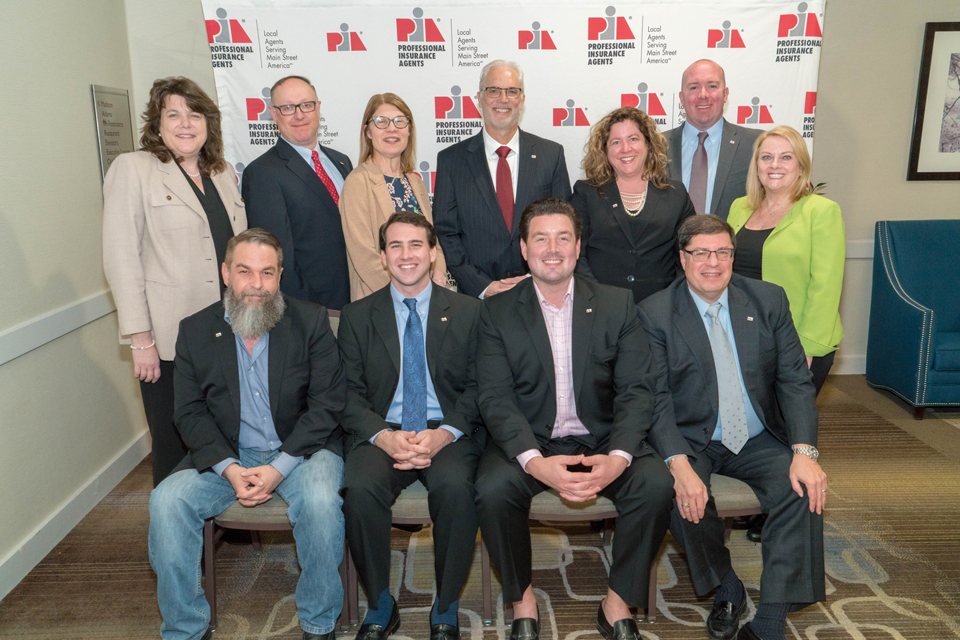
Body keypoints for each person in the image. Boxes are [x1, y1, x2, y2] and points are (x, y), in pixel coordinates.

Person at [474, 198, 673, 640]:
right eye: (540, 238)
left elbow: (637, 390)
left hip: (602, 438)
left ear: (578, 246)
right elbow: (495, 397)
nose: (552, 248)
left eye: (563, 237)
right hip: (531, 440)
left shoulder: (617, 304)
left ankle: (617, 601)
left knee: (655, 483)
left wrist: (619, 457)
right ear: (524, 249)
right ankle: (522, 598)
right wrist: (535, 462)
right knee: (492, 488)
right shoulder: (496, 312)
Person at [149, 228, 346, 640]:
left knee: (322, 501)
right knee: (166, 500)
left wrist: (279, 467)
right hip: (227, 455)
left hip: (302, 452)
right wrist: (228, 468)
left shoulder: (309, 321)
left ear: (279, 276)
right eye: (245, 271)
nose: (256, 285)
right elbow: (188, 412)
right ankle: (185, 628)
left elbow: (327, 404)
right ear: (226, 273)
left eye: (267, 273)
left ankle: (318, 622)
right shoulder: (195, 331)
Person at [638, 215, 826, 640]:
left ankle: (769, 620)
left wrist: (804, 451)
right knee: (675, 493)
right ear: (682, 258)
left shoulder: (767, 300)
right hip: (692, 438)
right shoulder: (654, 313)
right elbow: (655, 398)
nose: (713, 262)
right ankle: (728, 585)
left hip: (757, 436)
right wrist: (679, 463)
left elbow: (795, 379)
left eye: (722, 251)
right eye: (701, 252)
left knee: (802, 487)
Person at [338, 213, 484, 640]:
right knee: (360, 488)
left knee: (457, 487)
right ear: (383, 257)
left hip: (449, 429)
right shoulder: (356, 316)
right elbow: (346, 393)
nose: (407, 255)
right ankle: (381, 602)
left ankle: (447, 604)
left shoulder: (470, 311)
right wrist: (384, 436)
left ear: (433, 252)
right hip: (383, 429)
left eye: (416, 245)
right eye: (396, 247)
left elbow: (483, 387)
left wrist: (443, 434)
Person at [102, 76, 247, 486]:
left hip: (227, 333)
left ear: (208, 123)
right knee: (173, 446)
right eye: (174, 114)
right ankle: (178, 543)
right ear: (158, 124)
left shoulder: (221, 175)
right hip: (167, 342)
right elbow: (120, 258)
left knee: (223, 438)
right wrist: (140, 339)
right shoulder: (134, 169)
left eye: (195, 114)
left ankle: (222, 525)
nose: (186, 123)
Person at [433, 60, 572, 298]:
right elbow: (446, 232)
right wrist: (481, 286)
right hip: (476, 301)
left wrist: (534, 278)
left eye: (512, 91)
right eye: (494, 91)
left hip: (539, 293)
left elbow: (566, 226)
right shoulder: (451, 160)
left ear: (522, 100)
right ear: (479, 98)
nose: (503, 99)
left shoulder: (551, 155)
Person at [728, 125, 844, 395]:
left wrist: (806, 347)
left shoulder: (822, 211)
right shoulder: (739, 207)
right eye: (766, 157)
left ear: (801, 167)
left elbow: (825, 287)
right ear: (756, 166)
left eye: (786, 157)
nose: (774, 165)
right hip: (741, 337)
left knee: (786, 425)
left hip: (793, 340)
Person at [242, 75, 354, 310]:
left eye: (306, 105)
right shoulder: (262, 173)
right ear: (274, 114)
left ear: (318, 108)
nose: (299, 114)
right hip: (314, 309)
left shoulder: (342, 162)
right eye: (288, 108)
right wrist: (307, 314)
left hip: (358, 298)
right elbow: (277, 258)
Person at [571, 106, 695, 303]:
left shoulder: (676, 194)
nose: (625, 149)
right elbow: (574, 253)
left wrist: (672, 298)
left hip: (662, 308)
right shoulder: (586, 193)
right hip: (600, 307)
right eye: (616, 142)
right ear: (605, 150)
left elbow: (690, 252)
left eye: (633, 139)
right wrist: (596, 298)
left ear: (648, 144)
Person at [339, 93, 449, 301]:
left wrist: (439, 275)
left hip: (426, 302)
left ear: (409, 131)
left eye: (400, 121)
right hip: (381, 303)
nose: (392, 128)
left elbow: (433, 243)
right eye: (381, 122)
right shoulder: (357, 182)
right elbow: (364, 258)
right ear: (368, 132)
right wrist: (409, 295)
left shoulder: (415, 183)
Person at [665, 60, 761, 219]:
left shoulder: (755, 144)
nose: (703, 95)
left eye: (712, 86)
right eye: (694, 87)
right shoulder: (655, 146)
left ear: (726, 94)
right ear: (682, 98)